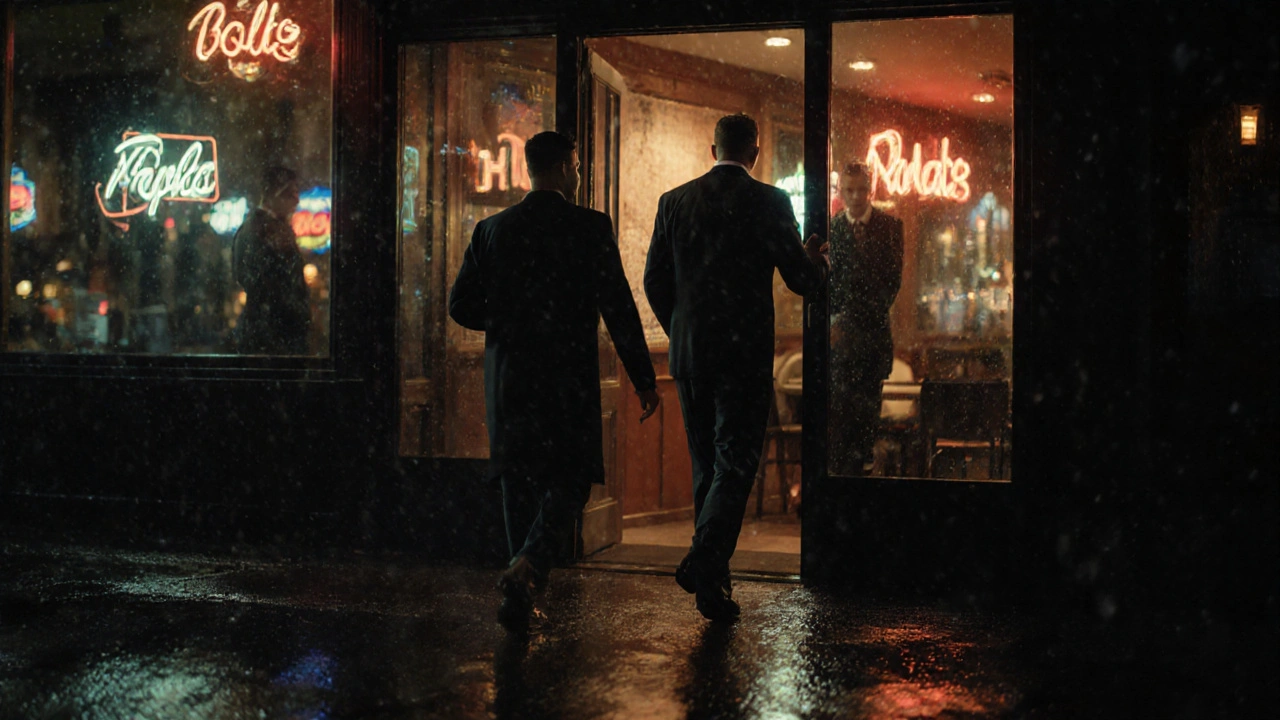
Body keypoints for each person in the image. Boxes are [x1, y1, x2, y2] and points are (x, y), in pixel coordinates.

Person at [449, 131, 661, 631]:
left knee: (517, 483)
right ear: (566, 168)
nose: (580, 173)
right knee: (570, 479)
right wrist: (644, 377)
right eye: (578, 165)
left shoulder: (492, 230)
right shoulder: (588, 227)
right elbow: (618, 306)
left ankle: (517, 586)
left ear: (529, 170)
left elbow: (460, 305)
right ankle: (530, 565)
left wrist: (506, 321)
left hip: (510, 380)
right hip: (568, 377)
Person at [644, 113, 828, 621]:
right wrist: (818, 261)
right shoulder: (770, 201)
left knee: (708, 466)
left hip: (688, 357)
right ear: (755, 150)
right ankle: (705, 560)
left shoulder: (674, 201)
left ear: (713, 149)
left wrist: (684, 326)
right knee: (737, 462)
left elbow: (654, 280)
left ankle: (712, 590)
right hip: (743, 355)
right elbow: (801, 280)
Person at [829, 162, 904, 475]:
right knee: (841, 418)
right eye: (849, 190)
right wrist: (835, 319)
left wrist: (852, 315)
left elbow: (891, 283)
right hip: (841, 340)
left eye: (861, 189)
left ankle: (862, 476)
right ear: (842, 191)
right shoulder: (833, 228)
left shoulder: (890, 227)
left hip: (871, 337)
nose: (855, 196)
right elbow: (830, 284)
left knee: (867, 415)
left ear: (870, 190)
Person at [232, 166, 310, 355]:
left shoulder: (260, 228)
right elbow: (264, 284)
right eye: (291, 193)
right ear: (275, 194)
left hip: (271, 334)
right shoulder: (264, 230)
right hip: (274, 338)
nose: (297, 200)